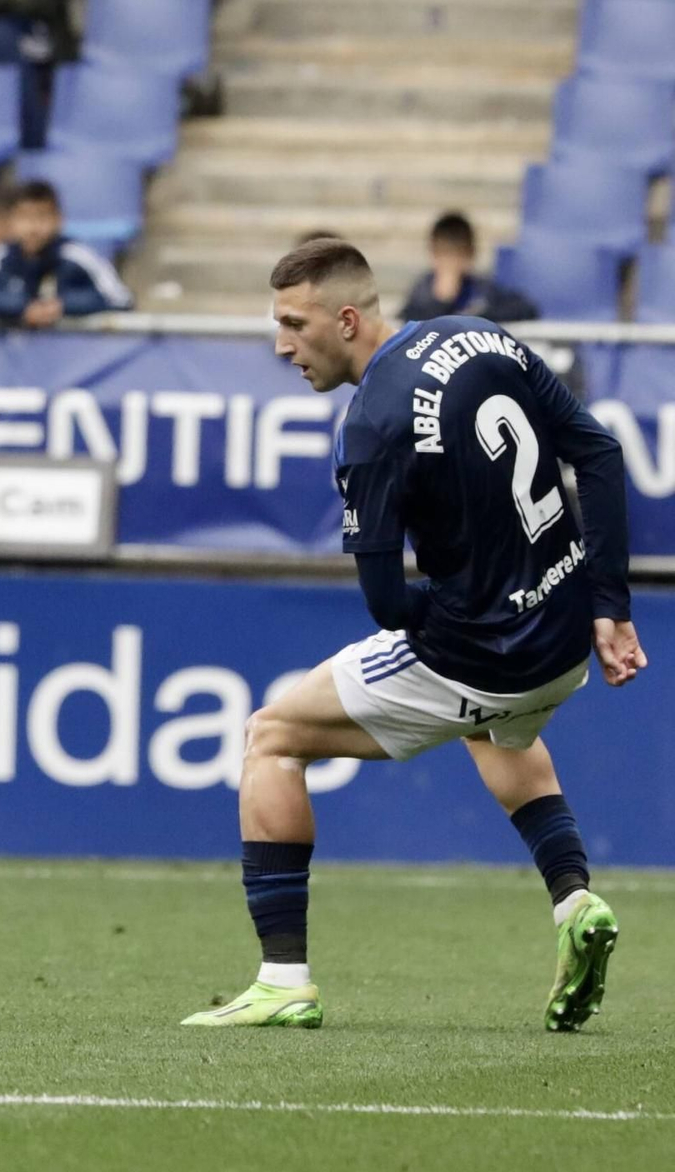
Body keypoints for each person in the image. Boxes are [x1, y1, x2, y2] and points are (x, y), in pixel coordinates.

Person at [183, 237, 645, 1031]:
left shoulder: (370, 425)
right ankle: (575, 901)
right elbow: (597, 451)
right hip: (565, 636)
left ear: (348, 317)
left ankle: (283, 978)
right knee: (492, 728)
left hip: (484, 650)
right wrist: (610, 603)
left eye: (294, 322)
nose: (281, 343)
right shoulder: (481, 333)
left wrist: (471, 610)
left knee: (270, 737)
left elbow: (387, 602)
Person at [0, 180, 131, 324]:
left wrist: (62, 306)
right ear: (12, 221)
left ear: (58, 220)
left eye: (42, 217)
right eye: (25, 217)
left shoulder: (76, 255)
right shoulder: (2, 256)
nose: (33, 228)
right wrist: (22, 307)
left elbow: (121, 298)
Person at [399, 212, 539, 325]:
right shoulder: (422, 292)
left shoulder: (482, 290)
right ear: (433, 256)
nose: (451, 265)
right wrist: (441, 301)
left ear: (469, 255)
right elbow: (412, 323)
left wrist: (476, 317)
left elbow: (527, 311)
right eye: (445, 255)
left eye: (457, 255)